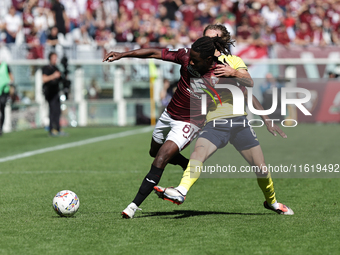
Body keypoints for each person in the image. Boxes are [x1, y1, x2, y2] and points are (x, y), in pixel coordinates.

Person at [155, 24, 294, 215]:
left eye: (214, 39)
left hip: (239, 123)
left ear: (222, 41)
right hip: (214, 122)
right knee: (198, 154)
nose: (209, 42)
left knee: (261, 169)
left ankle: (272, 202)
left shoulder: (233, 61)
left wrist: (266, 119)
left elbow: (248, 85)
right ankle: (181, 191)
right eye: (206, 39)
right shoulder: (198, 62)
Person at [103, 36, 236, 218]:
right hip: (169, 115)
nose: (191, 62)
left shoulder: (219, 74)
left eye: (195, 61)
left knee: (160, 159)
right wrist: (123, 54)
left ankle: (132, 206)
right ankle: (184, 163)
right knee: (154, 151)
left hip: (189, 123)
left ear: (207, 60)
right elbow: (153, 53)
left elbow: (245, 89)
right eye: (191, 58)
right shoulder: (186, 56)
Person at [42, 52, 63, 136]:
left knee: (58, 111)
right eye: (54, 58)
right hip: (50, 93)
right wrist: (54, 76)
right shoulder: (47, 68)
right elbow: (44, 79)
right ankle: (52, 129)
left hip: (56, 92)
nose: (55, 59)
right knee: (52, 111)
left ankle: (58, 128)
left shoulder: (56, 68)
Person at [0, 61, 14, 136]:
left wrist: (11, 85)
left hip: (4, 91)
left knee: (2, 108)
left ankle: (1, 128)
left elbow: (11, 76)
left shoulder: (5, 65)